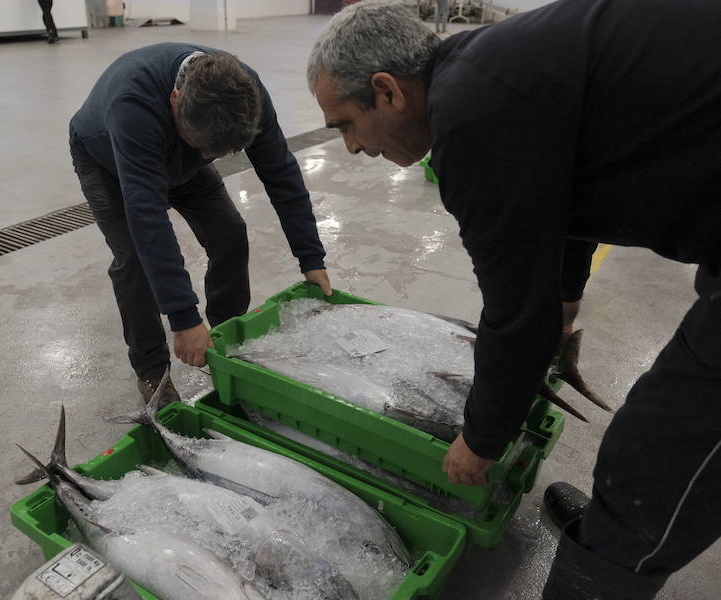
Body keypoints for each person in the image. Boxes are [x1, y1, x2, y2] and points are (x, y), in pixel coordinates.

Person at [306, 1, 720, 598]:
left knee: (656, 455)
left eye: (345, 124)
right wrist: (566, 295)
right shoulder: (493, 68)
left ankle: (618, 541)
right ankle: (613, 528)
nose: (349, 147)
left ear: (387, 91)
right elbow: (566, 191)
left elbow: (514, 313)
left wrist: (482, 439)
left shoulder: (471, 118)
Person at [70, 43, 331, 406]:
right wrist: (183, 317)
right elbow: (147, 216)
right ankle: (152, 373)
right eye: (204, 148)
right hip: (107, 160)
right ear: (176, 100)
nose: (209, 158)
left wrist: (311, 257)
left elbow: (280, 172)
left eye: (216, 154)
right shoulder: (134, 105)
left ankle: (226, 340)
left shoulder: (244, 92)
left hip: (179, 150)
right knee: (134, 259)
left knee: (229, 232)